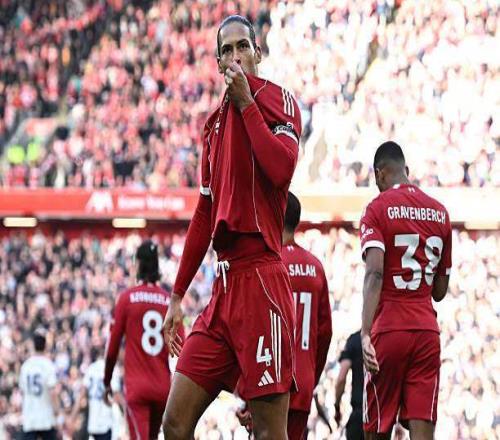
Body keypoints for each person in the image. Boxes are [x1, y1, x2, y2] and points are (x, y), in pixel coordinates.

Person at [162, 14, 302, 440]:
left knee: (269, 433)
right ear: (219, 62)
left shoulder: (279, 101)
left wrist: (246, 105)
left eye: (243, 46)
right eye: (227, 50)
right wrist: (177, 295)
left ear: (258, 52)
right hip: (223, 289)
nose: (236, 55)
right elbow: (204, 214)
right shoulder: (213, 127)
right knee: (174, 423)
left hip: (262, 280)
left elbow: (281, 170)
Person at [359, 141, 452, 439]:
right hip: (426, 331)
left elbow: (375, 273)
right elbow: (440, 291)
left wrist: (365, 332)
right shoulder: (440, 213)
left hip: (389, 328)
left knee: (376, 429)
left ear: (379, 174)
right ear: (406, 170)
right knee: (424, 430)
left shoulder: (377, 208)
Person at [236, 192, 333, 439]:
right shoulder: (316, 267)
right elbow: (325, 333)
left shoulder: (265, 264)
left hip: (269, 381)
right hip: (303, 380)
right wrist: (311, 376)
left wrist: (244, 390)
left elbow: (250, 330)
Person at [104, 240, 182, 440]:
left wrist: (107, 381)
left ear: (137, 264)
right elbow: (182, 346)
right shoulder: (168, 301)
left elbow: (112, 348)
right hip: (163, 386)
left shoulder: (127, 298)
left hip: (137, 387)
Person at [19, 329, 59, 440]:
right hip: (46, 417)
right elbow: (53, 392)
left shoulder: (26, 366)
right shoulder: (48, 365)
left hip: (30, 417)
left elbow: (22, 391)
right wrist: (57, 411)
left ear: (33, 346)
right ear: (45, 346)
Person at [73, 347, 120, 440]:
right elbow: (116, 395)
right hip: (107, 422)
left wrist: (73, 415)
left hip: (93, 422)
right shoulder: (112, 368)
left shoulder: (91, 368)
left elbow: (82, 394)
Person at [334, 330, 364, 440]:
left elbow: (341, 378)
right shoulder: (385, 337)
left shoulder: (355, 340)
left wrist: (337, 406)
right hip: (381, 416)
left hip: (359, 413)